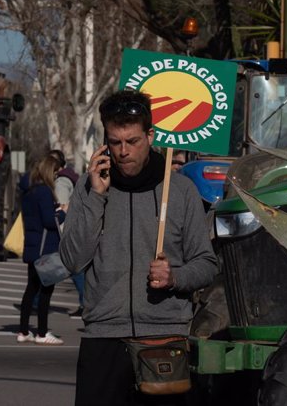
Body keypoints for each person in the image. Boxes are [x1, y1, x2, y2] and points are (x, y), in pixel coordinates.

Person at [60, 90, 218, 406]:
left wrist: (175, 276)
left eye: (132, 141)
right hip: (103, 338)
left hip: (163, 340)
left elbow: (207, 264)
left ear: (150, 135)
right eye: (115, 142)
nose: (122, 151)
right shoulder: (90, 187)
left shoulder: (181, 190)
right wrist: (96, 197)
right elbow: (72, 260)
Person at [17, 155, 66, 345]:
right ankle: (42, 333)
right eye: (55, 173)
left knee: (31, 290)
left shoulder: (29, 192)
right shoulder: (45, 192)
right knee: (46, 292)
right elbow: (49, 220)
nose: (56, 177)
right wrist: (62, 212)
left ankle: (23, 330)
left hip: (32, 245)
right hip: (45, 249)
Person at [49, 149, 84, 319]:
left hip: (65, 230)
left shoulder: (61, 181)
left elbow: (61, 206)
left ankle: (86, 303)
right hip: (71, 228)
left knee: (72, 268)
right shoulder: (69, 177)